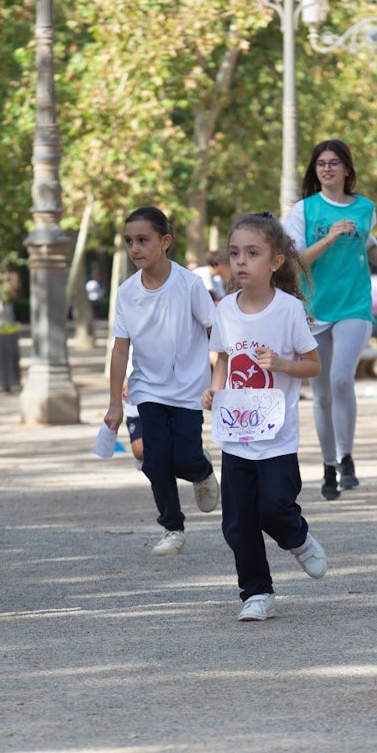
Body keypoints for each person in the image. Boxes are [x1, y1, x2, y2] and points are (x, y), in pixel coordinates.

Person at [201, 213, 324, 622]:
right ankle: (256, 593)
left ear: (275, 262)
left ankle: (298, 538)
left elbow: (313, 365)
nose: (241, 261)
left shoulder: (289, 310)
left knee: (274, 507)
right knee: (236, 523)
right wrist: (216, 389)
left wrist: (282, 364)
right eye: (235, 253)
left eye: (252, 253)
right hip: (236, 433)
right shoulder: (224, 310)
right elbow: (222, 359)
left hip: (277, 436)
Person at [283, 139, 377, 500]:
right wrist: (330, 238)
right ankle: (328, 467)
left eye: (334, 162)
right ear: (315, 171)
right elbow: (296, 262)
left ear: (347, 170)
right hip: (314, 309)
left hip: (354, 305)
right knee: (320, 393)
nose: (327, 168)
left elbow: (367, 243)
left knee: (340, 379)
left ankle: (347, 458)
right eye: (321, 163)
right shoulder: (304, 211)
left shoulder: (365, 208)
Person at [104, 207, 219, 556]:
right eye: (129, 241)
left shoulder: (190, 285)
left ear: (165, 241)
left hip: (188, 391)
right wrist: (113, 403)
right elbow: (120, 349)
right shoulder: (126, 293)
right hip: (148, 389)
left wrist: (221, 381)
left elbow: (216, 332)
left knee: (183, 458)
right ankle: (172, 527)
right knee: (154, 460)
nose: (135, 248)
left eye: (143, 240)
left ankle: (201, 471)